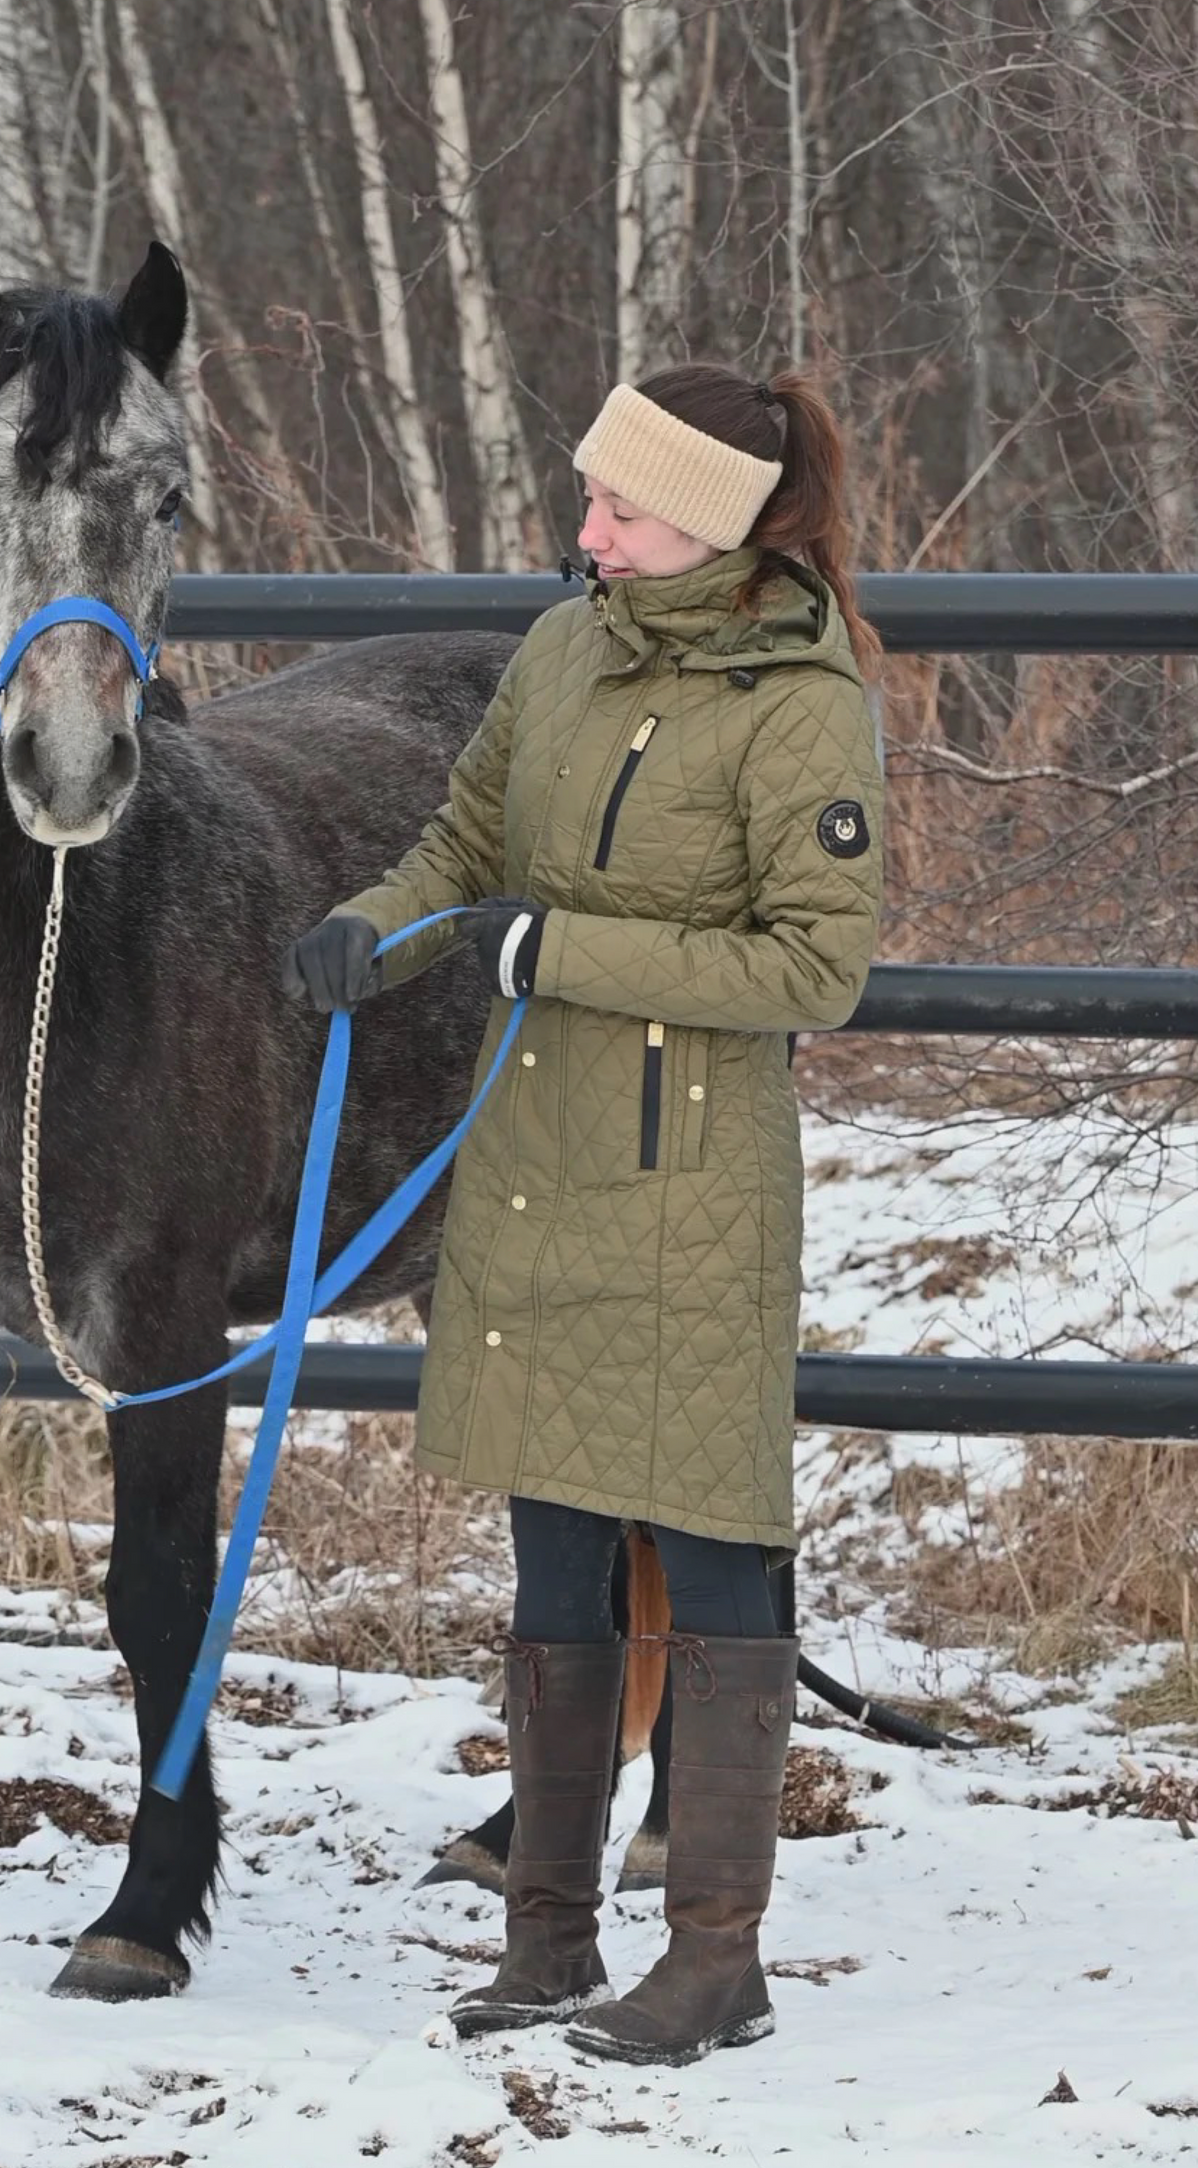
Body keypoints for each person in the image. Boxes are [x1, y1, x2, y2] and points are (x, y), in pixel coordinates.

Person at [282, 363, 885, 2068]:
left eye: (618, 506)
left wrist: (555, 952)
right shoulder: (565, 650)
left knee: (704, 1542)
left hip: (689, 1188)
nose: (585, 528)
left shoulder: (801, 702)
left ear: (705, 523)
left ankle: (717, 1957)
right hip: (535, 1164)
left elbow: (813, 965)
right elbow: (470, 834)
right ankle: (545, 1936)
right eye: (591, 499)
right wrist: (373, 922)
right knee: (552, 1546)